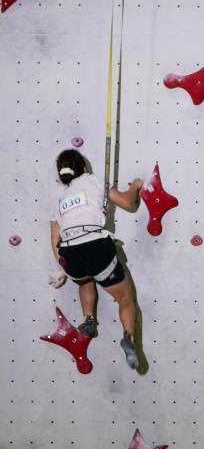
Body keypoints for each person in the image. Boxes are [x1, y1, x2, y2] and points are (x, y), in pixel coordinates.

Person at [49, 148, 143, 370]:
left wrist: (63, 268)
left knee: (85, 278)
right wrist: (135, 187)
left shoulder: (56, 196)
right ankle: (129, 338)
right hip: (95, 245)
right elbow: (128, 202)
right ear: (83, 167)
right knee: (125, 298)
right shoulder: (92, 181)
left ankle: (88, 319)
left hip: (70, 254)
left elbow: (54, 239)